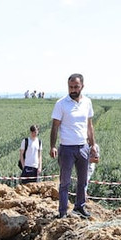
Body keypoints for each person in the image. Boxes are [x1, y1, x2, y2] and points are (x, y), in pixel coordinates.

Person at [49, 73, 97, 217]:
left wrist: (93, 144)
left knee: (82, 181)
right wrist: (52, 146)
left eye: (76, 86)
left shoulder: (87, 102)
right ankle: (62, 212)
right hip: (66, 149)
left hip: (83, 148)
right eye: (70, 87)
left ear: (82, 86)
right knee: (65, 182)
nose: (73, 90)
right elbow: (55, 126)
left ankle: (79, 207)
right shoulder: (61, 104)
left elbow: (89, 126)